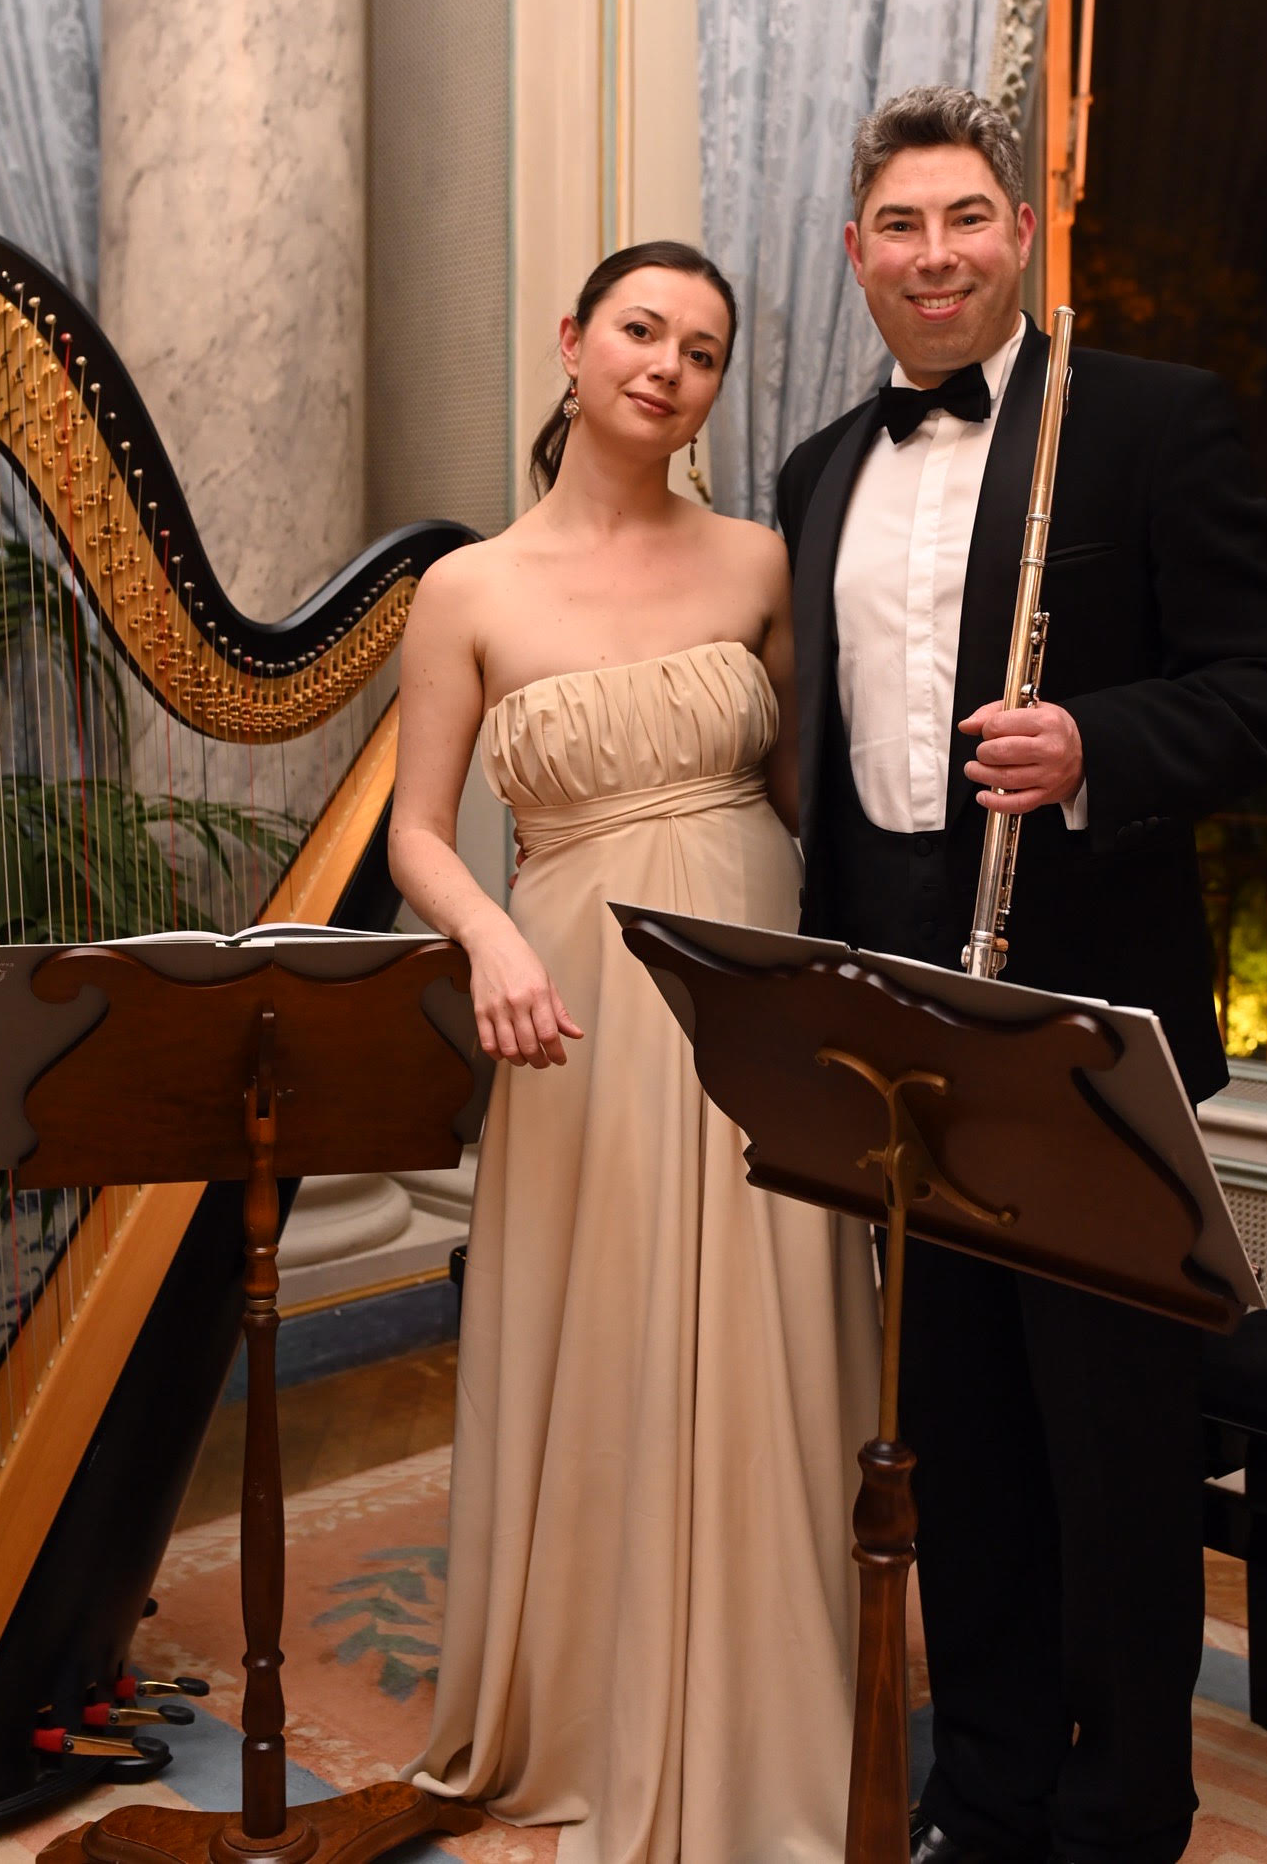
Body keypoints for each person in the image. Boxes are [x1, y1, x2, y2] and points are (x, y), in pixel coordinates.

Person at [776, 87, 1267, 1864]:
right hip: (894, 1021)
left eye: (968, 219)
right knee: (961, 1438)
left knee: (1111, 1451)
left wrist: (1097, 743)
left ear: (1022, 234)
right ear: (856, 253)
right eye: (901, 226)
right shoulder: (815, 473)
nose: (935, 255)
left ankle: (1118, 1813)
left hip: (1087, 1018)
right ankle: (989, 1784)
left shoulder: (1152, 420)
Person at [390, 239, 880, 1864]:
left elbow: (813, 798)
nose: (668, 366)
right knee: (601, 1329)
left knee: (768, 1332)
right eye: (642, 331)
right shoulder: (468, 589)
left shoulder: (759, 561)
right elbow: (416, 831)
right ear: (574, 342)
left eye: (704, 350)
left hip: (752, 987)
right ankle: (591, 1705)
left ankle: (771, 1711)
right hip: (576, 1004)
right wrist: (492, 935)